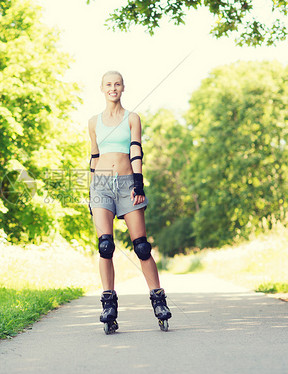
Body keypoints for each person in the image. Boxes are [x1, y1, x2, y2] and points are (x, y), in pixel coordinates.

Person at [88, 71, 171, 333]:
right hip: (100, 185)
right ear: (102, 88)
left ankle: (158, 300)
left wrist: (138, 181)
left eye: (117, 84)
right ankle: (108, 304)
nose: (113, 88)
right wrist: (90, 191)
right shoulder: (93, 122)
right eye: (108, 84)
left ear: (123, 87)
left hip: (127, 183)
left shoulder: (132, 118)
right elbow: (93, 156)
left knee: (142, 246)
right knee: (105, 246)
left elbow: (135, 149)